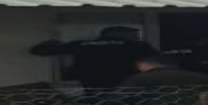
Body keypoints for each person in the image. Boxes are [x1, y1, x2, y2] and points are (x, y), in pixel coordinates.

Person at [30, 26, 158, 89]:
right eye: (133, 34)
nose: (136, 37)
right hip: (124, 82)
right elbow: (158, 60)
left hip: (92, 83)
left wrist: (52, 43)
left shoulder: (82, 44)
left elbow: (38, 51)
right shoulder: (136, 45)